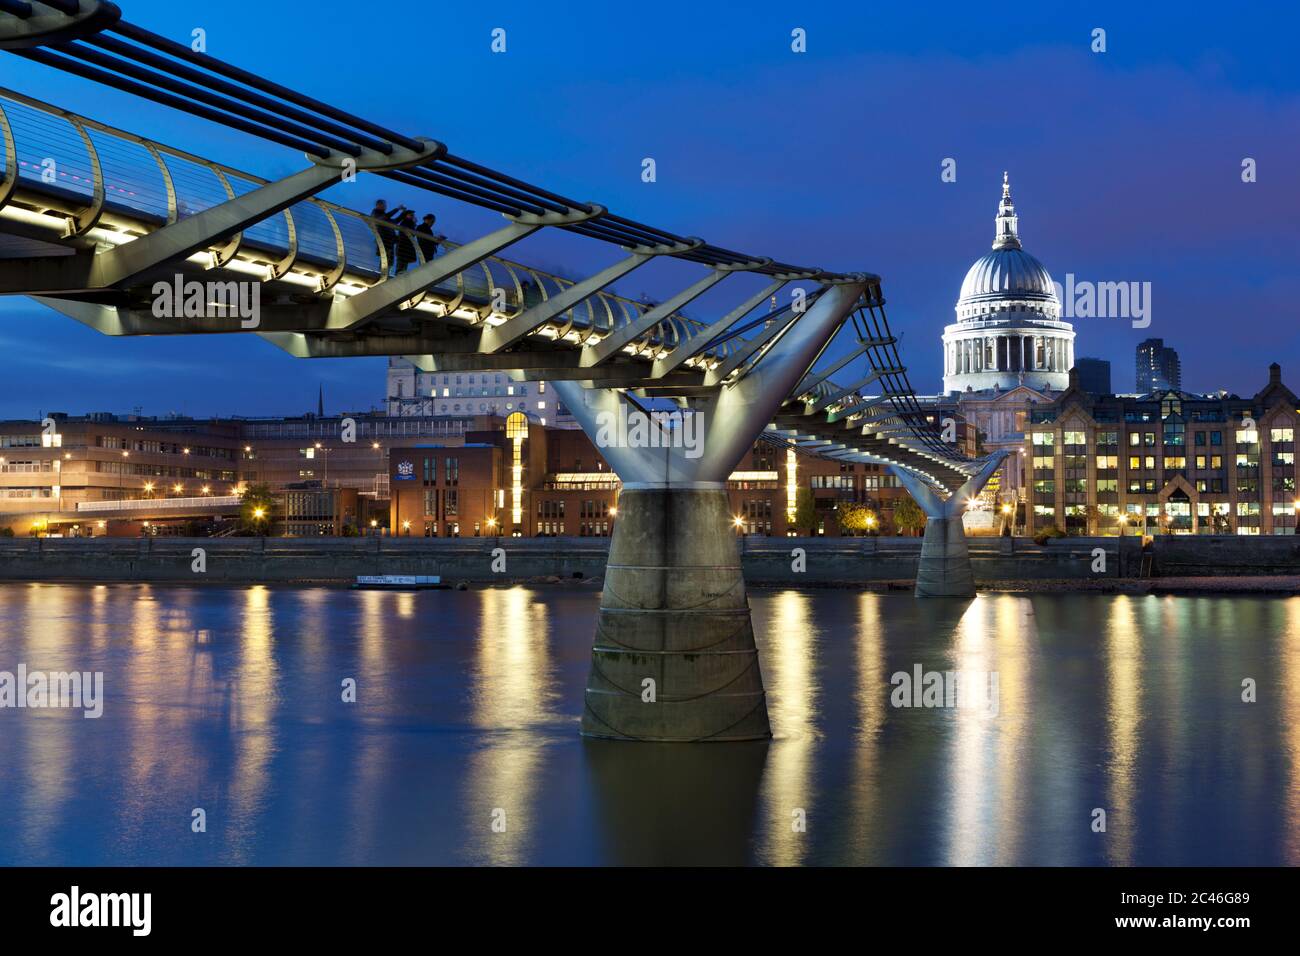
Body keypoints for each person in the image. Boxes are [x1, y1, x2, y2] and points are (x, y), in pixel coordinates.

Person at [370, 199, 405, 271]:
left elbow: (395, 221)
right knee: (386, 260)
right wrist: (397, 209)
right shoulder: (376, 214)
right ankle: (381, 275)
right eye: (384, 205)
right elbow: (383, 218)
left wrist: (404, 213)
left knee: (389, 261)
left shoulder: (384, 216)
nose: (386, 206)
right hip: (384, 240)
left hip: (389, 241)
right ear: (378, 205)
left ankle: (383, 275)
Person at [393, 208, 419, 273]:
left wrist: (414, 224)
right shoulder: (405, 222)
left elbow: (412, 235)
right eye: (411, 215)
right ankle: (398, 279)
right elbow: (410, 234)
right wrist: (414, 224)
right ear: (406, 215)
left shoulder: (409, 223)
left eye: (413, 215)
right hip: (403, 247)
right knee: (401, 266)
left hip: (404, 248)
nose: (412, 216)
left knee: (402, 266)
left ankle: (399, 278)